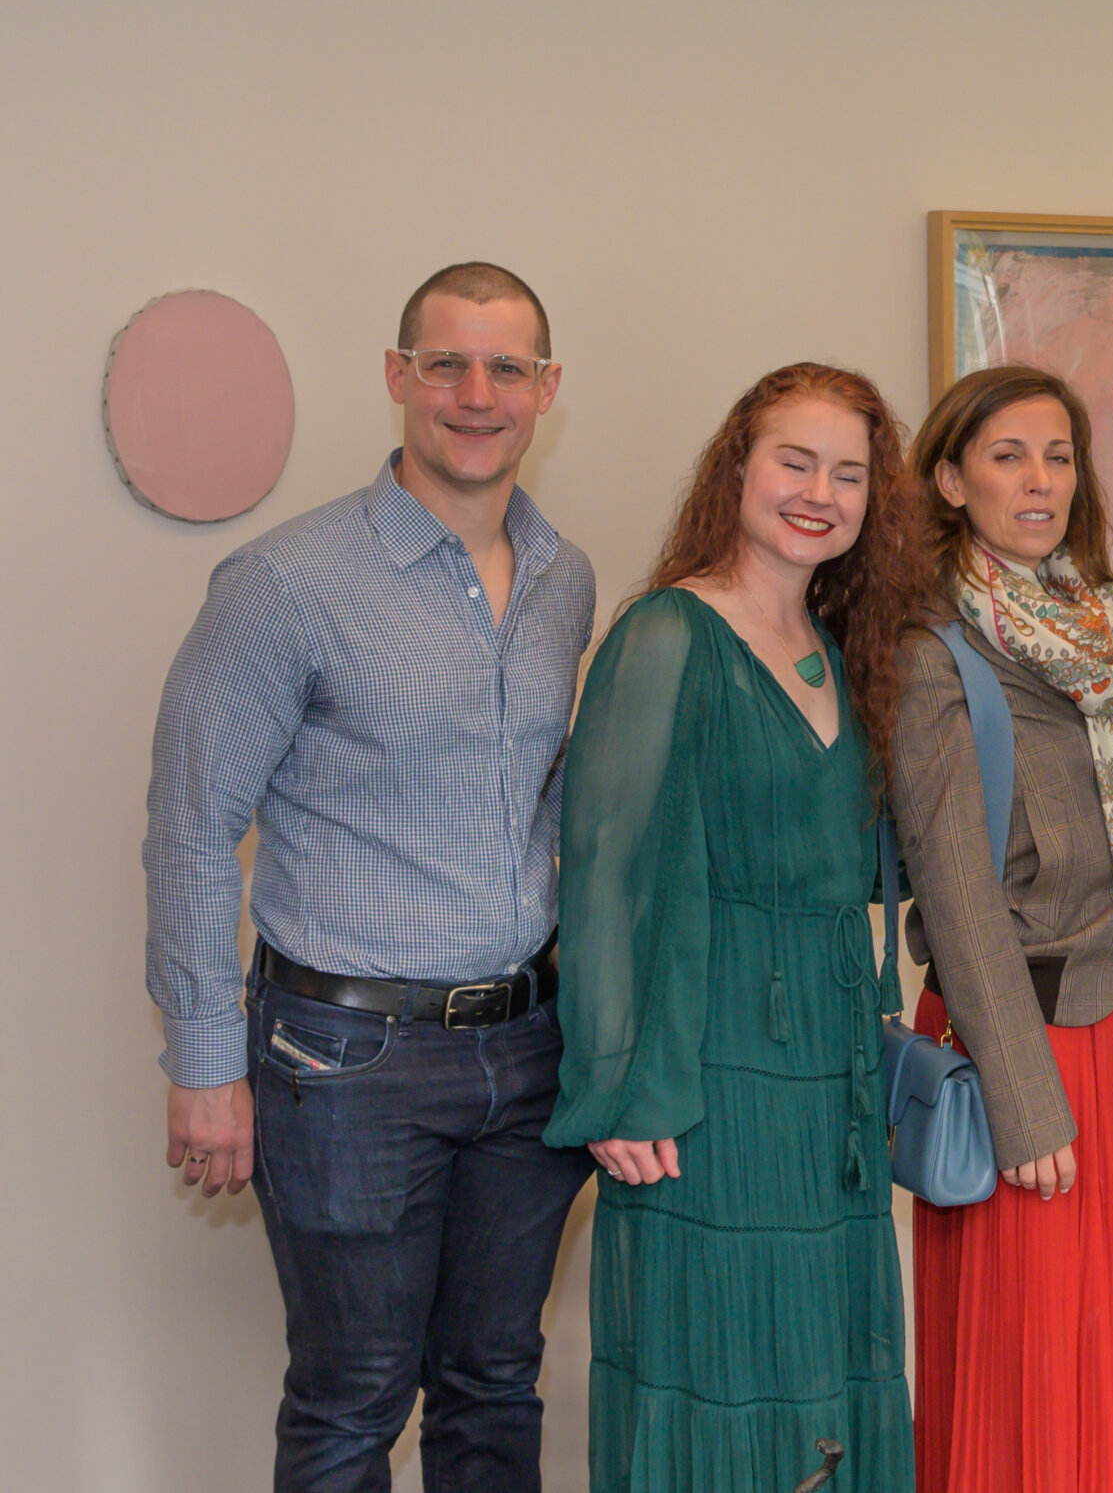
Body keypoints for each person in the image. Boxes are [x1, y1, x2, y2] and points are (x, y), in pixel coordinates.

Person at [143, 262, 595, 1491]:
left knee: (496, 1382)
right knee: (352, 1399)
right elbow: (189, 823)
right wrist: (203, 1062)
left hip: (527, 1051)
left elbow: (558, 812)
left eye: (506, 367)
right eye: (445, 361)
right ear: (397, 377)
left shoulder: (567, 581)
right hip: (343, 1062)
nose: (475, 392)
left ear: (546, 389)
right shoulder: (286, 582)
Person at [544, 363, 923, 1493]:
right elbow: (606, 874)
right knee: (715, 1353)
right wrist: (620, 1088)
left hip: (829, 1063)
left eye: (848, 473)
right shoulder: (667, 632)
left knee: (821, 1355)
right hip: (701, 1068)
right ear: (739, 470)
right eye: (794, 461)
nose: (819, 492)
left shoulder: (843, 646)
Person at [892, 363, 1113, 1493]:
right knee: (1041, 1358)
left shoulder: (1104, 616)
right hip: (1022, 1045)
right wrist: (1021, 1098)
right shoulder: (931, 643)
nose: (1038, 480)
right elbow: (954, 894)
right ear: (949, 479)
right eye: (1006, 455)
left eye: (1057, 454)